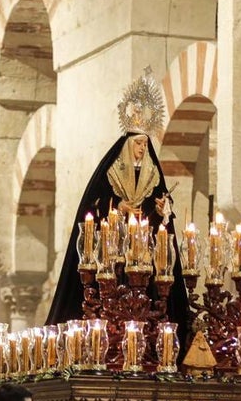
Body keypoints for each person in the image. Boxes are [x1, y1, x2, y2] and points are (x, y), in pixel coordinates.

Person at [45, 71, 190, 345]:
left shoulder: (154, 176)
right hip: (111, 253)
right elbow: (92, 210)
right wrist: (119, 207)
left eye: (145, 144)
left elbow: (162, 217)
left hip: (144, 256)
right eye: (137, 143)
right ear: (127, 145)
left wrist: (162, 211)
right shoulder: (109, 174)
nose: (141, 149)